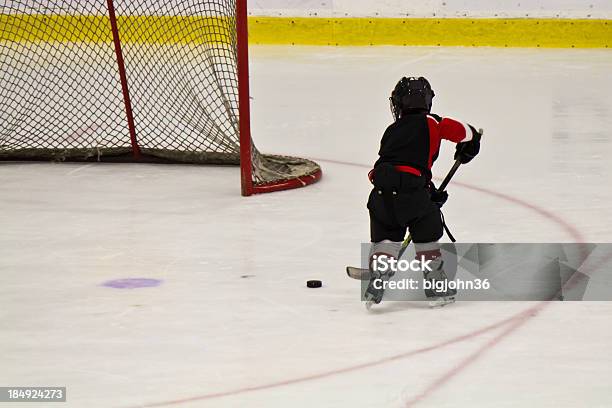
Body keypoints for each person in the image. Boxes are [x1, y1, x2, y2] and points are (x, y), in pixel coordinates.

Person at [365, 76, 481, 308]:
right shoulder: (434, 123)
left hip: (380, 193)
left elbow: (389, 167)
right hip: (413, 194)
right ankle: (437, 288)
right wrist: (471, 143)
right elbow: (466, 132)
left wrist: (426, 190)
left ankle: (377, 279)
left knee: (386, 237)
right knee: (426, 235)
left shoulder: (392, 130)